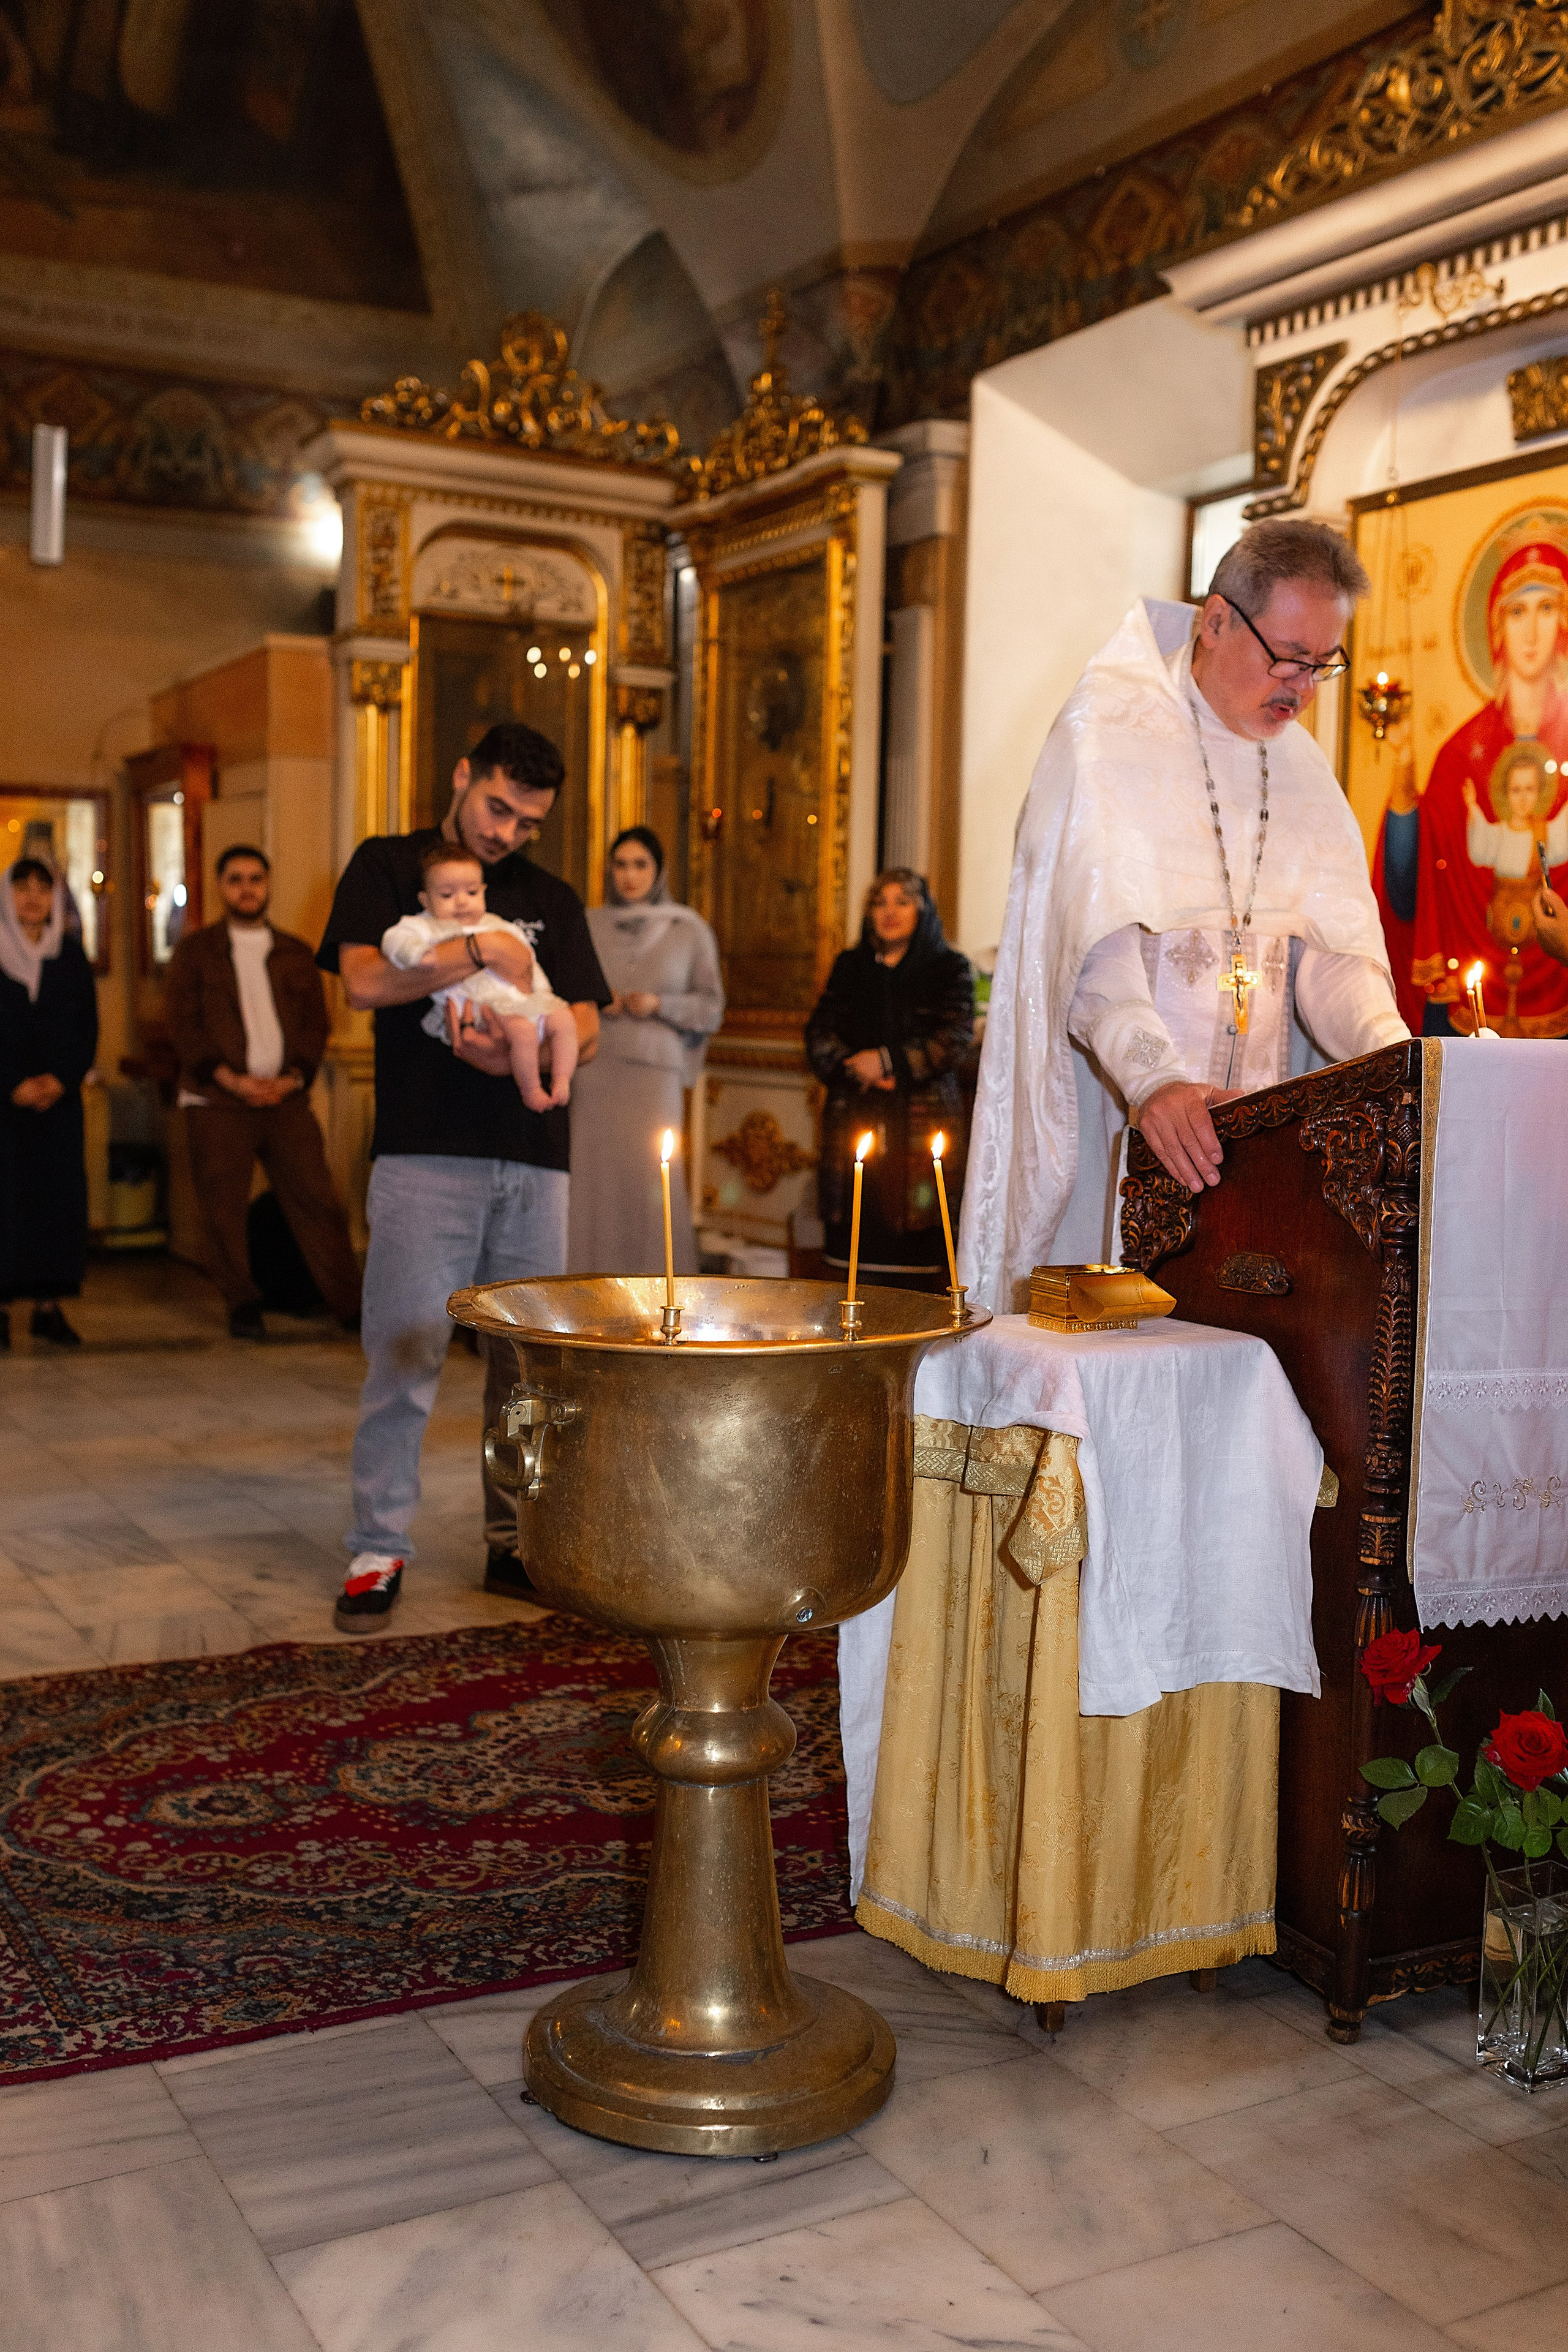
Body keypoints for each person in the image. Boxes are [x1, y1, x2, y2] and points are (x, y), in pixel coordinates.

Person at [960, 518, 1411, 1314]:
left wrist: (1401, 1065)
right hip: (1134, 1130)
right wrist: (1155, 1078)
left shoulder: (1303, 769)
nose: (1302, 689)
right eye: (1288, 657)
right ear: (1215, 621)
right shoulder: (1108, 730)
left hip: (1266, 1166)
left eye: (1322, 665)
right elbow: (1091, 943)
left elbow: (1334, 958)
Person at [317, 722, 610, 1631]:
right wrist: (478, 953)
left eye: (527, 822)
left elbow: (589, 1020)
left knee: (525, 1367)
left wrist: (520, 1058)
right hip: (422, 1152)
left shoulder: (551, 897)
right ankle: (378, 1547)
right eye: (497, 808)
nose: (507, 834)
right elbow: (364, 983)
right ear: (461, 778)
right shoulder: (389, 866)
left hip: (533, 1157)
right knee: (406, 1350)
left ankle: (515, 1540)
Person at [165, 844, 362, 1341]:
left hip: (286, 1098)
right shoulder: (194, 953)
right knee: (224, 1208)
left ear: (268, 885)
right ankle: (243, 1304)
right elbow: (185, 1027)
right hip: (218, 1102)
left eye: (256, 878)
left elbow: (318, 1025)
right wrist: (231, 1080)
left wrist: (292, 1077)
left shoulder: (296, 952)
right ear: (221, 887)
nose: (247, 888)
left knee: (318, 1199)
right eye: (236, 879)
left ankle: (352, 1308)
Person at [1377, 530, 1568, 1035]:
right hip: (1468, 1010)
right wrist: (1402, 780)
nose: (1531, 632)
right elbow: (1407, 890)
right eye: (1517, 612)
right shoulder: (1460, 755)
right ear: (1496, 626)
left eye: (1546, 608)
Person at [566, 826, 723, 1276]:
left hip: (654, 1076)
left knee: (652, 1180)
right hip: (593, 1069)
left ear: (658, 872)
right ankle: (582, 1294)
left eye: (641, 865)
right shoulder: (585, 923)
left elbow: (711, 1009)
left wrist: (659, 1004)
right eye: (621, 864)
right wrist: (596, 997)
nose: (630, 876)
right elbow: (557, 993)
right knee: (590, 1182)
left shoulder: (688, 928)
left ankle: (659, 1295)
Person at [805, 870, 974, 1280]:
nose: (890, 911)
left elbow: (955, 1037)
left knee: (920, 1268)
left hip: (920, 1123)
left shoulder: (948, 967)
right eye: (880, 901)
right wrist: (856, 1068)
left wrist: (888, 1061)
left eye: (903, 901)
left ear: (923, 909)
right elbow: (819, 1035)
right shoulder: (850, 966)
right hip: (855, 1113)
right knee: (852, 1265)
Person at [381, 840, 579, 1113]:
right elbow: (394, 939)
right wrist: (416, 954)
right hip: (474, 1007)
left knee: (565, 1020)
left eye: (472, 892)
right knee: (523, 1033)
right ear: (426, 900)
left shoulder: (497, 925)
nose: (462, 901)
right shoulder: (426, 926)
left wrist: (541, 991)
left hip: (518, 1000)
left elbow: (527, 959)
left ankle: (561, 1080)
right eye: (447, 895)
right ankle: (532, 1089)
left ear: (484, 891)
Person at [0, 857, 97, 1349]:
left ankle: (48, 1308)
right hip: (3, 1106)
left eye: (44, 887)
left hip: (58, 1108)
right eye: (22, 887)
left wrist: (61, 1079)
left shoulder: (70, 955)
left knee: (55, 1203)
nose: (33, 897)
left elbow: (87, 1030)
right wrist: (10, 1085)